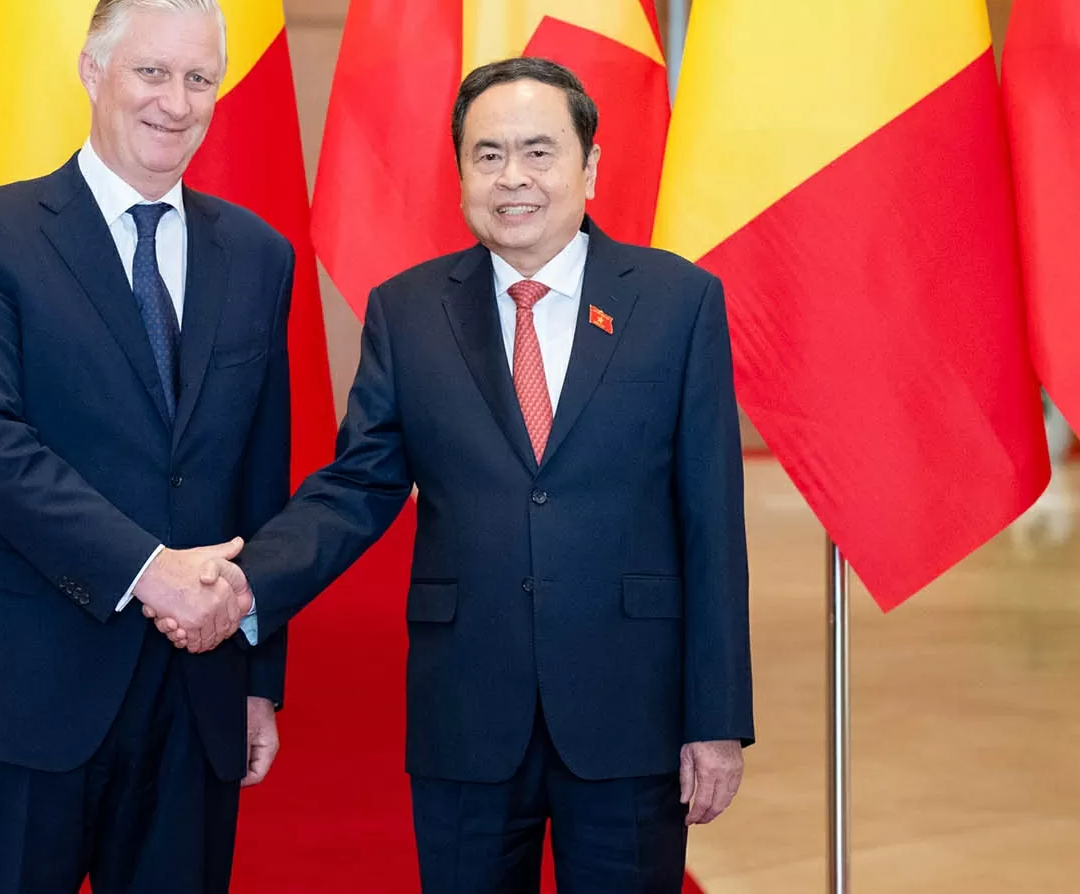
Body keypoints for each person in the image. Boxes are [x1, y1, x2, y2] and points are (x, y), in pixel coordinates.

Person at [156, 57, 753, 893]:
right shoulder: (408, 311)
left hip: (630, 710)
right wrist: (245, 583)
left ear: (589, 166)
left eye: (540, 153)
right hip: (467, 709)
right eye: (488, 154)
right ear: (462, 172)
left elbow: (712, 526)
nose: (514, 178)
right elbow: (357, 487)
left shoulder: (679, 302)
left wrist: (717, 720)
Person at [0, 0, 293, 894]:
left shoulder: (258, 254)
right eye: (152, 72)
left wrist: (257, 673)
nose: (176, 101)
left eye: (200, 80)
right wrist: (149, 569)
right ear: (92, 70)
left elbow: (259, 477)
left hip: (196, 688)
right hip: (24, 676)